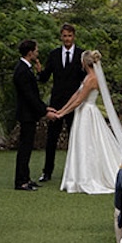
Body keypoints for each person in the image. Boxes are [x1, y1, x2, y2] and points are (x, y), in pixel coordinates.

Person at [47, 49, 122, 195]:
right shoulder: (88, 77)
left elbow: (79, 100)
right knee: (83, 144)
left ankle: (87, 177)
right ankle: (79, 176)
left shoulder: (92, 79)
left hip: (87, 113)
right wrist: (61, 111)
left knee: (88, 145)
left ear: (84, 63)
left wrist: (62, 114)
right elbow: (76, 95)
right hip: (83, 112)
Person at [39, 22, 85, 184]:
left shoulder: (81, 55)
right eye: (64, 36)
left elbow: (86, 79)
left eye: (70, 36)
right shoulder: (54, 54)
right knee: (51, 138)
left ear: (74, 36)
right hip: (56, 103)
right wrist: (38, 69)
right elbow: (44, 77)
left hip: (75, 104)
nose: (67, 39)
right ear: (61, 37)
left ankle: (77, 171)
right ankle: (47, 172)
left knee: (76, 138)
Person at [12, 38, 46, 191]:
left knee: (28, 147)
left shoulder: (26, 69)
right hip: (27, 114)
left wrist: (45, 108)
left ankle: (26, 177)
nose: (37, 53)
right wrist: (44, 111)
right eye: (36, 50)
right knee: (24, 148)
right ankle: (21, 180)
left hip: (30, 114)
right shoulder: (21, 71)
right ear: (30, 52)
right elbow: (29, 96)